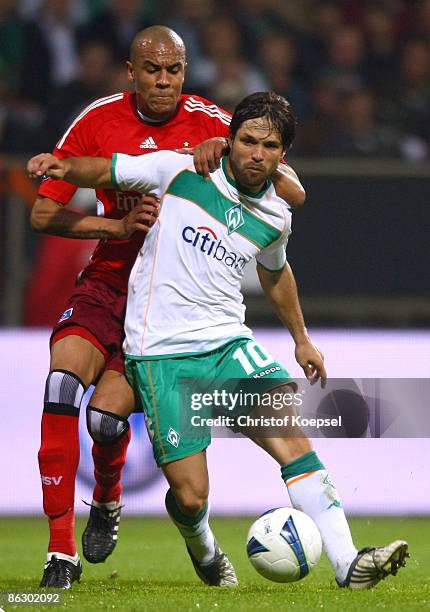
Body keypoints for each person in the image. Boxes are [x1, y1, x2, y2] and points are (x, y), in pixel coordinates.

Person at [28, 91, 408, 589]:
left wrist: (302, 339)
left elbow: (276, 273)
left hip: (228, 343)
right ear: (229, 140)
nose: (256, 153)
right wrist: (63, 166)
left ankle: (347, 563)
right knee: (189, 498)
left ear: (281, 155)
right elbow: (106, 171)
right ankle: (203, 544)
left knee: (293, 440)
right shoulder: (180, 170)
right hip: (160, 354)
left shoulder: (275, 215)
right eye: (247, 141)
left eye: (269, 146)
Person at [29, 26, 306, 589]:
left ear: (184, 72)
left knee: (106, 419)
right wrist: (117, 224)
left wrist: (224, 150)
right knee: (60, 388)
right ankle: (61, 551)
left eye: (173, 71)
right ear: (130, 72)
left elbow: (292, 188)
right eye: (152, 70)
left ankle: (107, 500)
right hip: (109, 282)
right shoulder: (96, 120)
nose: (163, 81)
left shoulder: (211, 121)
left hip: (169, 304)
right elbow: (42, 215)